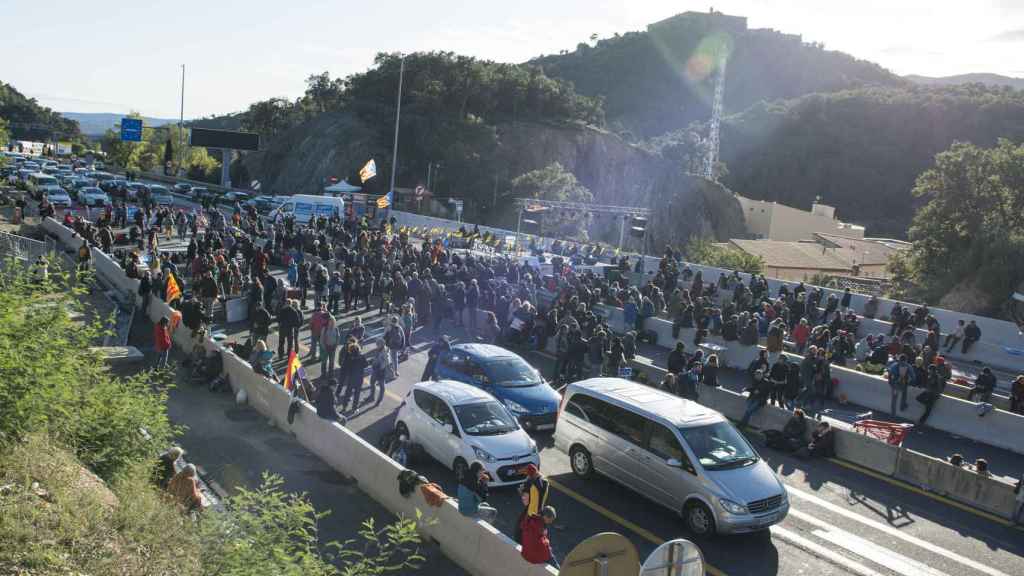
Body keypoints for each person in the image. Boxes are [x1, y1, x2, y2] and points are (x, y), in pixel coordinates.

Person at [339, 340, 367, 412]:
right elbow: (366, 364)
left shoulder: (349, 357)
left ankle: (344, 407)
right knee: (357, 393)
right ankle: (354, 408)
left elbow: (345, 366)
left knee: (348, 393)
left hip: (351, 378)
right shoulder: (361, 356)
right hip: (359, 378)